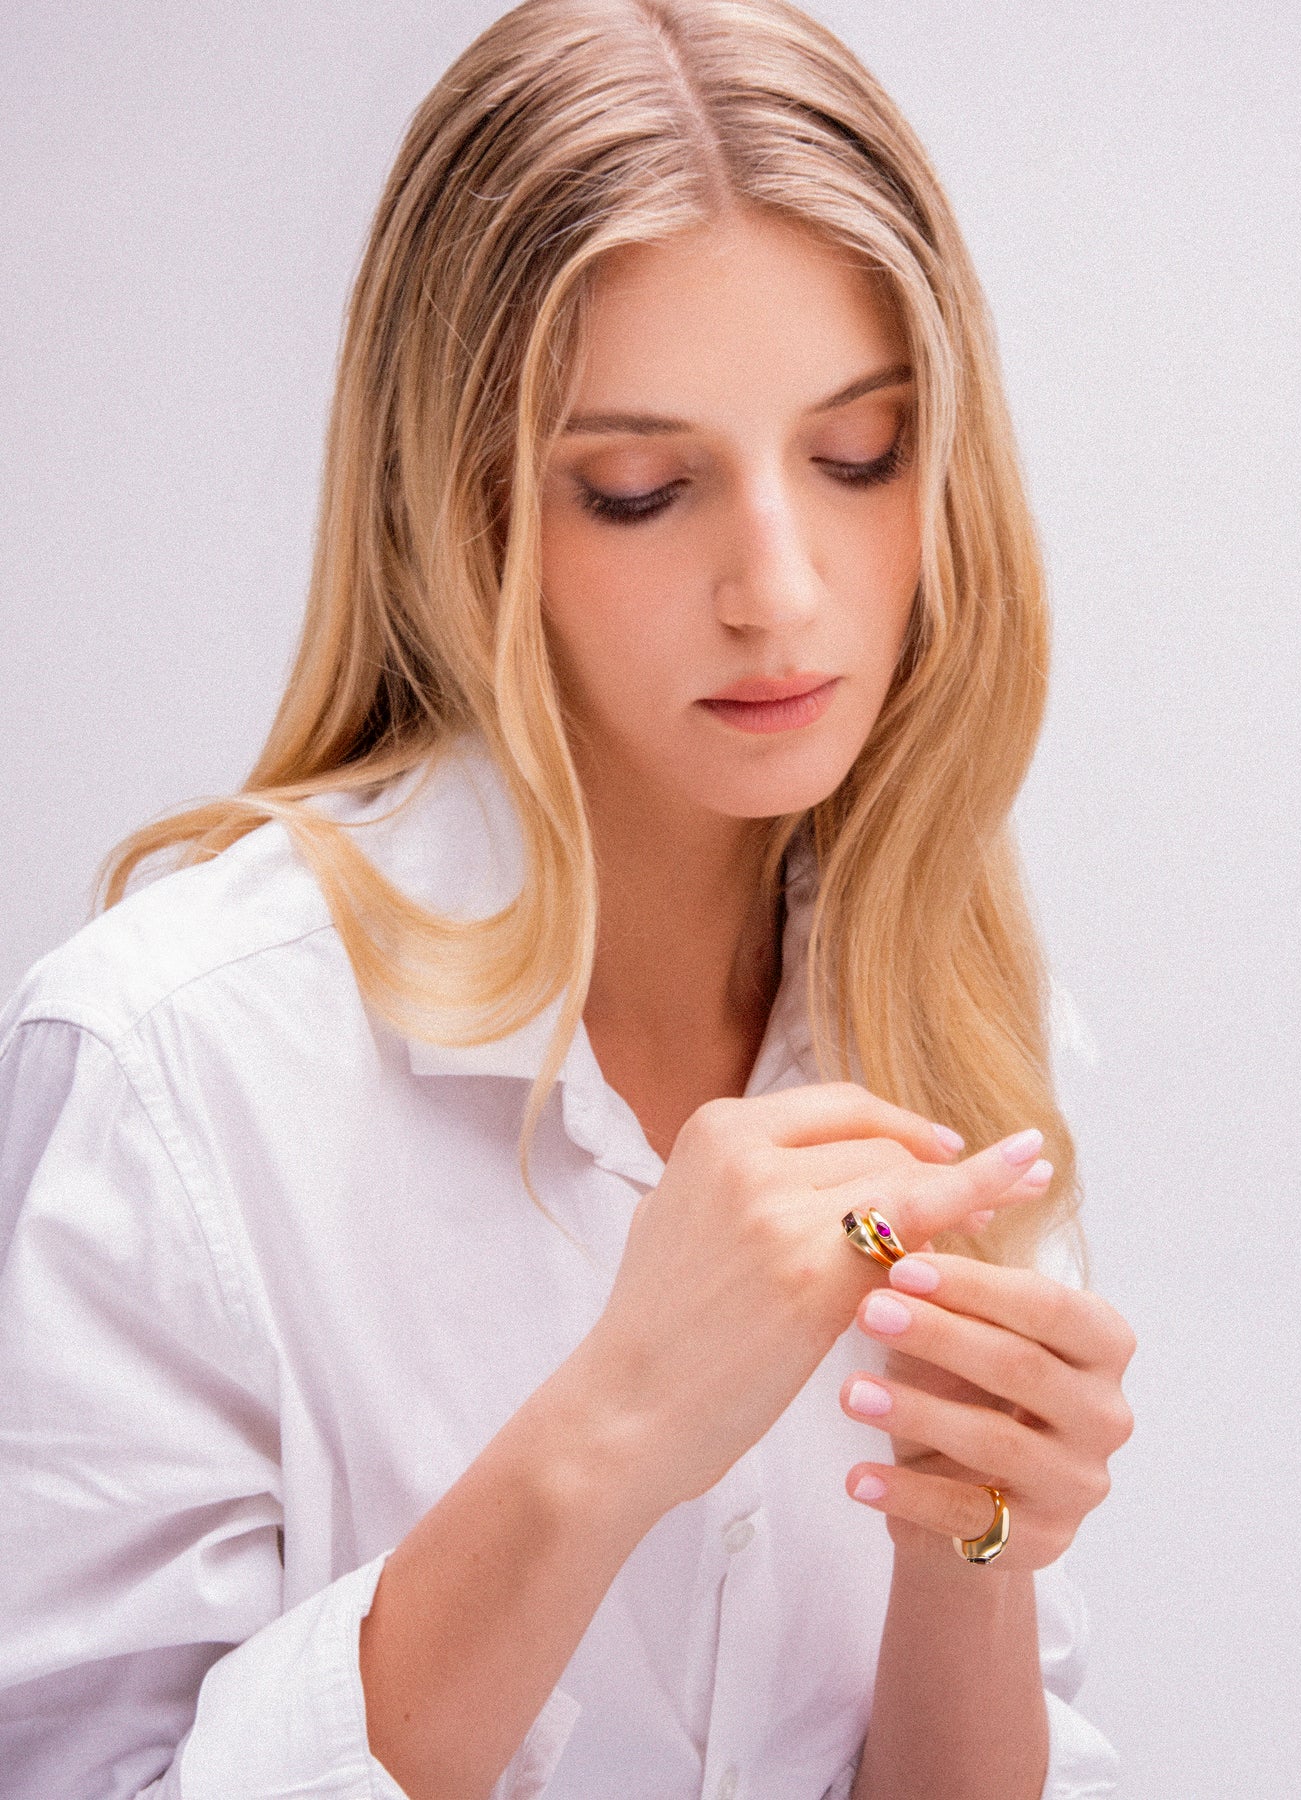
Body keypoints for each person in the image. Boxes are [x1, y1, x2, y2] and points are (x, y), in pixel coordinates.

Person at [0, 1, 1136, 1795]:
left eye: (860, 456)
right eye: (638, 489)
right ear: (468, 516)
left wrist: (967, 1543)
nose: (781, 589)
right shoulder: (176, 1066)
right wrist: (611, 1429)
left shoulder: (957, 1013)